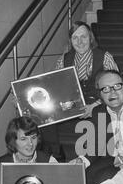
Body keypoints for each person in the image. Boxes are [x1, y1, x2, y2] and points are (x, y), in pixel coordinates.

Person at [41, 21, 119, 159]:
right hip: (72, 104)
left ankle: (94, 159)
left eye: (83, 36)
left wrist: (93, 106)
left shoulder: (105, 57)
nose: (80, 41)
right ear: (71, 41)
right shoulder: (64, 60)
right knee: (45, 114)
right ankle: (55, 155)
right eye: (75, 38)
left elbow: (116, 88)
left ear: (90, 38)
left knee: (102, 116)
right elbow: (53, 86)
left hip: (98, 102)